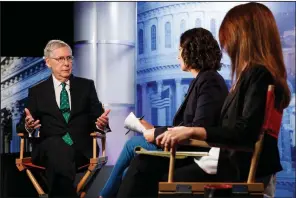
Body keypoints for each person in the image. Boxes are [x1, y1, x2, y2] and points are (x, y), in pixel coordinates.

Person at [116, 2, 291, 198]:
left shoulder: (257, 74)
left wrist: (190, 130)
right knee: (145, 165)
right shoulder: (250, 75)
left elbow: (245, 132)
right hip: (226, 160)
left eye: (229, 35)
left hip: (234, 166)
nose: (225, 44)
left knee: (146, 170)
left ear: (245, 37)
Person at [99, 28, 228, 198]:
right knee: (129, 172)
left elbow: (199, 128)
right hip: (184, 145)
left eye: (180, 50)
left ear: (193, 50)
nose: (177, 56)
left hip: (194, 152)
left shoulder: (209, 80)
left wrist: (157, 133)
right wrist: (153, 128)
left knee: (133, 144)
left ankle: (103, 196)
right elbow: (185, 126)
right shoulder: (201, 81)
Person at [16, 39, 111, 198]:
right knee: (56, 145)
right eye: (60, 59)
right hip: (47, 149)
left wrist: (102, 125)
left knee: (59, 157)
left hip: (80, 150)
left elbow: (98, 121)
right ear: (48, 62)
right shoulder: (37, 91)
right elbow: (21, 126)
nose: (66, 63)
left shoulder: (86, 86)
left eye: (69, 58)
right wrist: (29, 126)